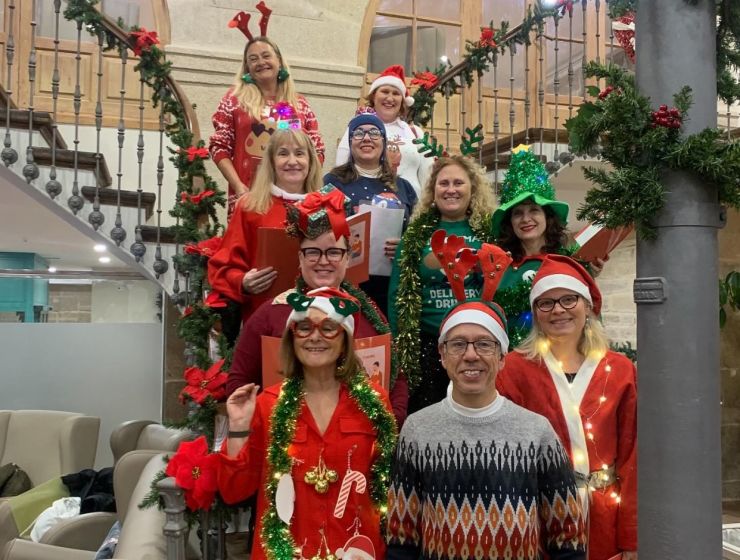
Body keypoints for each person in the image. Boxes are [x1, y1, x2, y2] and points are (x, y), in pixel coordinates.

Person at [386, 297, 587, 560]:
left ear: (502, 357)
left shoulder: (537, 431)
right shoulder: (418, 429)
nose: (471, 355)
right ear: (443, 356)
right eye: (458, 344)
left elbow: (568, 539)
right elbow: (401, 540)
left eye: (484, 344)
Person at [219, 287, 397, 560]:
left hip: (356, 551)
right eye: (303, 327)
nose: (315, 336)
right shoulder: (268, 404)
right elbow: (234, 491)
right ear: (292, 339)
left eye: (328, 328)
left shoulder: (374, 402)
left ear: (345, 340)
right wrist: (239, 427)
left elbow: (390, 487)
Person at [227, 185, 410, 426]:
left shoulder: (367, 312)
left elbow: (396, 378)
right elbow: (240, 382)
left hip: (357, 439)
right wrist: (264, 428)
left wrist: (389, 424)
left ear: (347, 258)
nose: (323, 261)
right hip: (287, 439)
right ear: (300, 258)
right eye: (313, 252)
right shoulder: (271, 313)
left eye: (334, 252)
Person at [496, 254, 637, 560]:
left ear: (587, 306)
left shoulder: (619, 369)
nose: (558, 309)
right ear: (536, 312)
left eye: (569, 299)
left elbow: (632, 456)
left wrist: (631, 537)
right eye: (546, 303)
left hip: (605, 520)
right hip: (538, 520)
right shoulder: (515, 370)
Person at [388, 155, 496, 414]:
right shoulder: (415, 236)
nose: (451, 189)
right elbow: (396, 296)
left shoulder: (490, 233)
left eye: (458, 183)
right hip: (427, 347)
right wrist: (397, 347)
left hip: (477, 343)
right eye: (443, 183)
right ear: (433, 190)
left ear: (472, 188)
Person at [207, 129, 322, 334]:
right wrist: (243, 281)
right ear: (271, 162)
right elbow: (224, 266)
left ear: (311, 161)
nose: (292, 161)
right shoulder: (250, 206)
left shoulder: (327, 207)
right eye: (283, 153)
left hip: (317, 320)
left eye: (299, 153)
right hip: (265, 318)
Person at [492, 145, 604, 349]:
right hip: (511, 361)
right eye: (518, 213)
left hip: (563, 358)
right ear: (510, 222)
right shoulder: (499, 266)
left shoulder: (570, 262)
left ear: (547, 217)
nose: (526, 219)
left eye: (534, 210)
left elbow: (589, 320)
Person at [209, 23, 324, 218]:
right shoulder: (235, 100)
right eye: (253, 59)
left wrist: (306, 186)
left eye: (266, 56)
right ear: (247, 67)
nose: (260, 62)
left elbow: (317, 149)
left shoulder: (295, 104)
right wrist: (238, 186)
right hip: (249, 196)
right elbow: (219, 147)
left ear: (279, 60)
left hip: (292, 199)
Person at [325, 113, 418, 315]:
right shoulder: (333, 182)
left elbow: (416, 234)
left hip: (392, 286)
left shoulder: (403, 187)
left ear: (383, 142)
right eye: (359, 133)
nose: (366, 138)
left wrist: (404, 246)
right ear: (350, 142)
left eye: (374, 133)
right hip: (346, 283)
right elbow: (323, 230)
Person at [335, 65, 433, 198]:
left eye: (396, 93)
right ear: (373, 96)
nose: (390, 98)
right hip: (368, 204)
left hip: (412, 204)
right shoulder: (358, 129)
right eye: (385, 92)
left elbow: (428, 176)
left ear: (402, 100)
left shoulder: (415, 133)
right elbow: (341, 169)